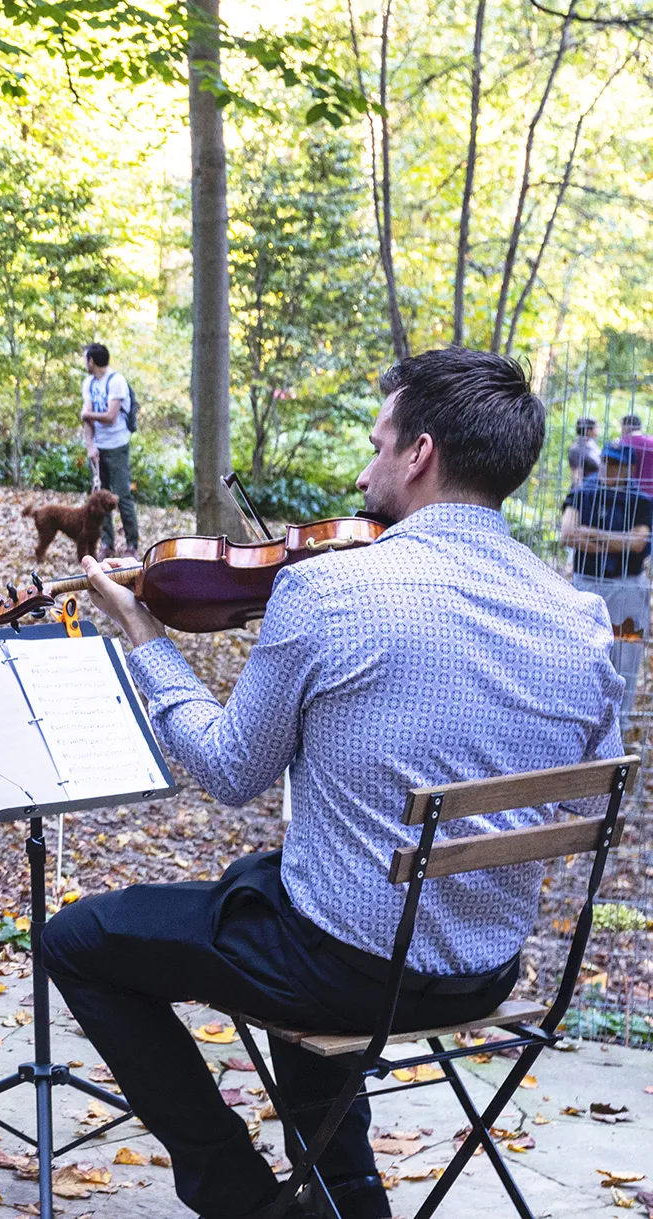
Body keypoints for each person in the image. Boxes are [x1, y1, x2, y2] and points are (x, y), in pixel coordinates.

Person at [63, 347, 624, 1219]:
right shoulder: (583, 622)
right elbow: (591, 805)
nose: (365, 470)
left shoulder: (328, 591)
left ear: (420, 453)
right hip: (486, 972)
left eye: (377, 443)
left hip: (345, 972)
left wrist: (145, 639)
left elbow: (228, 771)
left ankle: (244, 1199)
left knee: (78, 940)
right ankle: (345, 1189)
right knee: (287, 894)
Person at [560, 440, 652, 698]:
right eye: (606, 461)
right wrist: (616, 541)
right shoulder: (581, 492)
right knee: (580, 656)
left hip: (627, 591)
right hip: (586, 586)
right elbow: (567, 535)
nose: (608, 468)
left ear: (628, 469)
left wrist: (590, 534)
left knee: (625, 658)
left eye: (616, 463)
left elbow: (638, 543)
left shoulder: (641, 501)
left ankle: (619, 728)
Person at [80, 341, 137, 556]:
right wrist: (90, 446)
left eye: (85, 358)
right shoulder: (88, 383)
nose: (85, 362)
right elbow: (88, 418)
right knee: (99, 497)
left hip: (117, 446)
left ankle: (131, 544)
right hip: (98, 448)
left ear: (91, 361)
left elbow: (110, 417)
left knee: (122, 495)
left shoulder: (117, 382)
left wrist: (87, 415)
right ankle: (107, 543)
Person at [567, 416, 601, 488]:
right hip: (585, 490)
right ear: (588, 430)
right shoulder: (576, 449)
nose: (598, 430)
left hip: (596, 488)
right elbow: (576, 476)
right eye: (596, 427)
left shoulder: (593, 444)